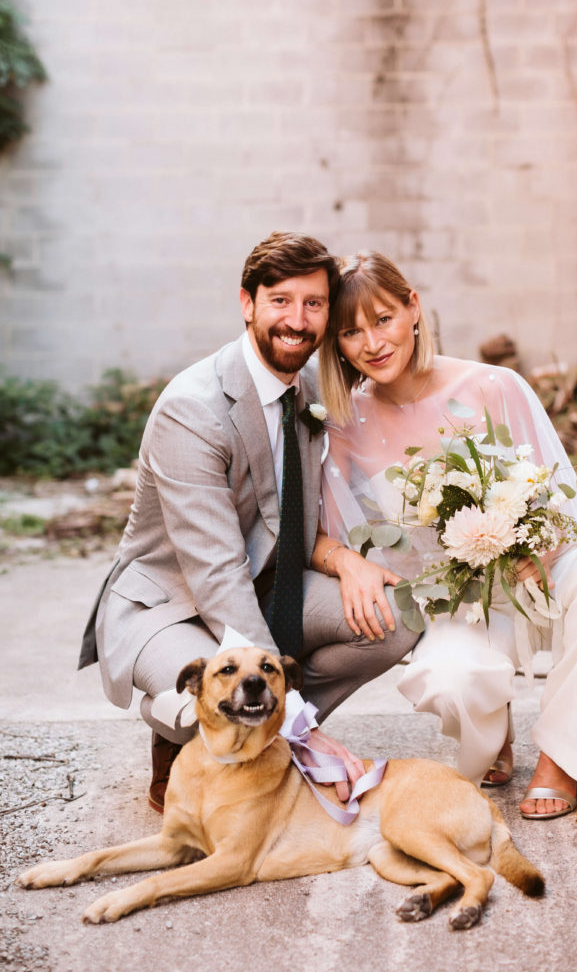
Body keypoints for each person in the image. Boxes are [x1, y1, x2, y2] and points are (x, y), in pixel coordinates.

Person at [317, 250, 577, 820]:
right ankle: (488, 727)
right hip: (456, 603)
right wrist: (347, 563)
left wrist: (537, 545)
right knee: (447, 679)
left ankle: (562, 758)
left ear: (413, 309)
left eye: (383, 320)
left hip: (539, 576)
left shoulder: (494, 386)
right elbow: (333, 532)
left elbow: (567, 505)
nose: (372, 343)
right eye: (351, 332)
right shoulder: (345, 424)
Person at [78, 233, 417, 812]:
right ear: (247, 304)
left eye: (313, 304)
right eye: (280, 300)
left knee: (396, 620)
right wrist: (306, 733)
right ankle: (180, 735)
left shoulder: (311, 389)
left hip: (266, 586)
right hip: (170, 603)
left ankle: (269, 732)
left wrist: (348, 562)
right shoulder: (193, 408)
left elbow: (294, 515)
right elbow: (214, 574)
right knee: (223, 692)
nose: (297, 319)